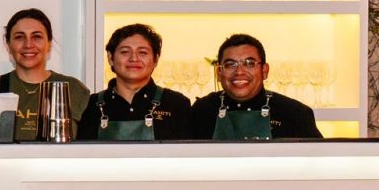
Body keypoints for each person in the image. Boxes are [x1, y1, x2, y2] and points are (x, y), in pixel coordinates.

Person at [190, 33, 322, 140]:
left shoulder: (295, 114)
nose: (239, 72)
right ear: (218, 73)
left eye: (249, 63)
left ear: (264, 71)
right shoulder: (202, 111)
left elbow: (317, 160)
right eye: (230, 65)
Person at [0, 8, 90, 141]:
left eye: (37, 37)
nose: (28, 44)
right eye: (19, 37)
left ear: (49, 44)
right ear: (8, 45)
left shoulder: (73, 89)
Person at [75, 23, 191, 140]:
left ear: (155, 59)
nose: (134, 58)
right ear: (110, 58)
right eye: (125, 52)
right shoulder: (88, 106)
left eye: (142, 52)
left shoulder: (177, 104)